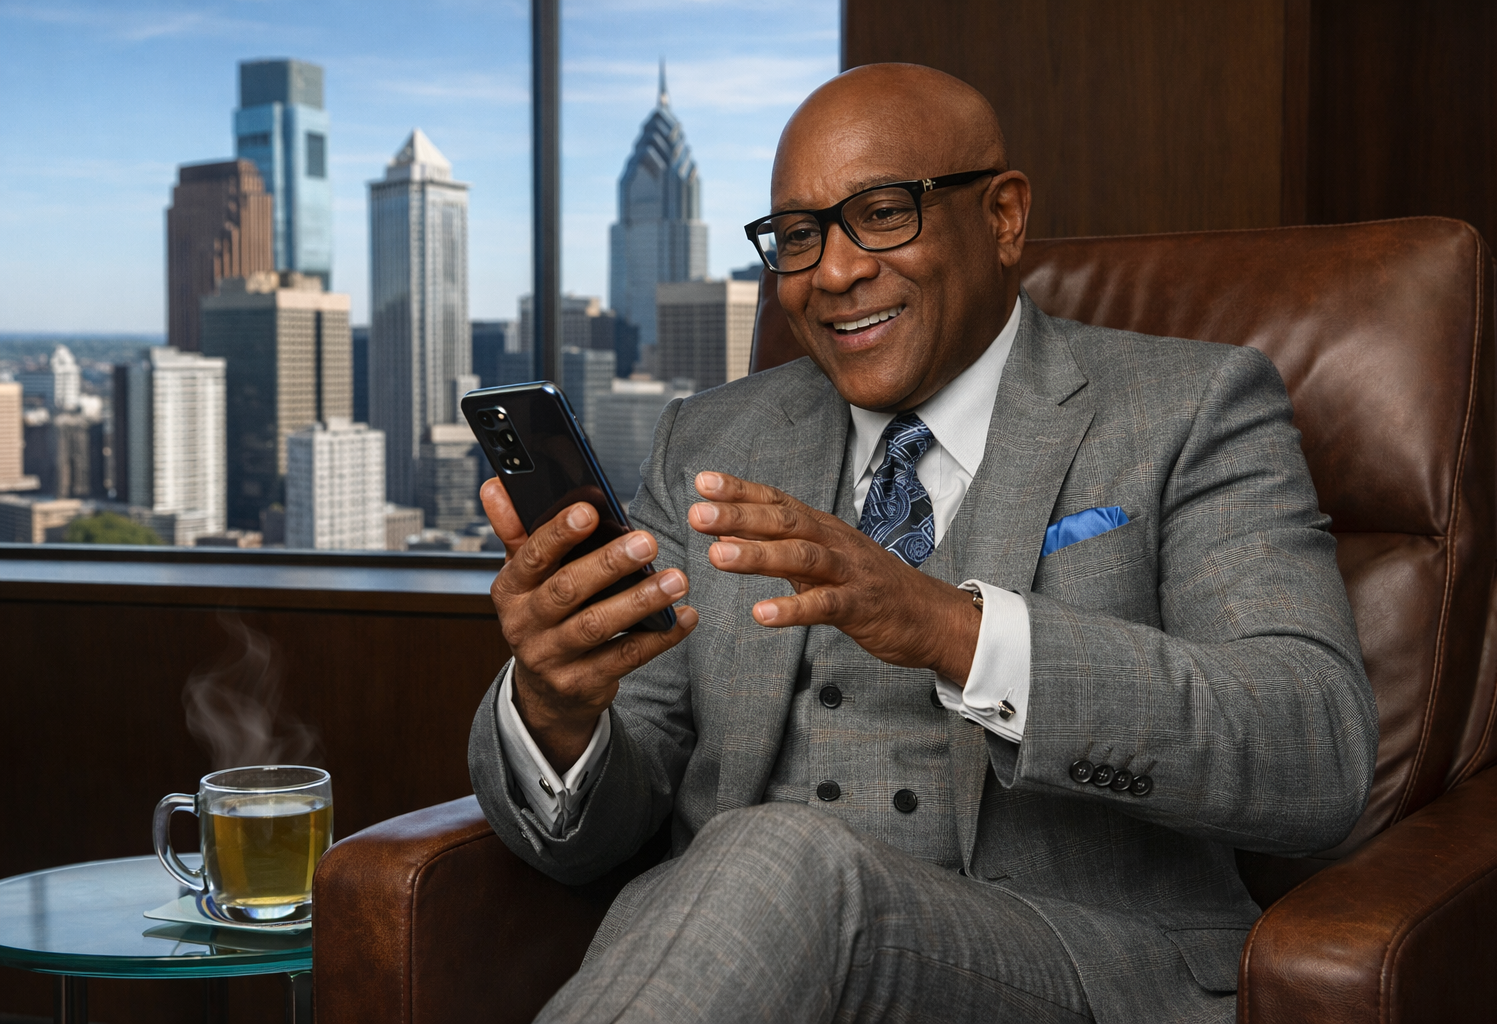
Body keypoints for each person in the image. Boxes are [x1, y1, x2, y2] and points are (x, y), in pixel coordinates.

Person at [468, 62, 1377, 1024]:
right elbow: (602, 823)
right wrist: (556, 711)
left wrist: (950, 627)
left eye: (886, 213)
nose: (834, 271)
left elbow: (1313, 750)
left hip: (1071, 966)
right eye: (799, 236)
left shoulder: (1190, 408)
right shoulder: (711, 441)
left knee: (782, 852)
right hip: (748, 970)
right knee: (766, 858)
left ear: (1003, 218)